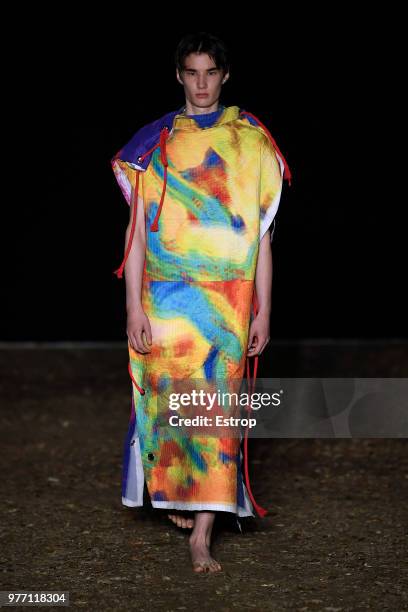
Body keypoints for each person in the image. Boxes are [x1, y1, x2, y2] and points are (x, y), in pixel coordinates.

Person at [111, 31, 291, 573]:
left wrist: (263, 308)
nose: (202, 83)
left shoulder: (252, 142)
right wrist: (133, 308)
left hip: (228, 301)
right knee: (167, 407)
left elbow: (261, 235)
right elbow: (136, 235)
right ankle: (176, 497)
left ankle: (202, 535)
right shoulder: (154, 143)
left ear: (225, 76)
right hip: (165, 302)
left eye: (210, 72)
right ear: (179, 76)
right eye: (192, 73)